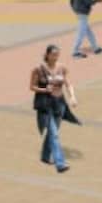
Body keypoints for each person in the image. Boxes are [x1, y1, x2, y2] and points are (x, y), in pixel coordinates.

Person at [30, 45, 79, 173]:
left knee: (52, 133)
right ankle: (60, 163)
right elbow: (32, 87)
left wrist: (72, 96)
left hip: (59, 105)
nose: (56, 57)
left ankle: (45, 156)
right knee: (54, 135)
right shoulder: (38, 69)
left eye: (57, 54)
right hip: (46, 106)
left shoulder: (62, 68)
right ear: (47, 54)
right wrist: (44, 90)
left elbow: (68, 84)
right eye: (53, 54)